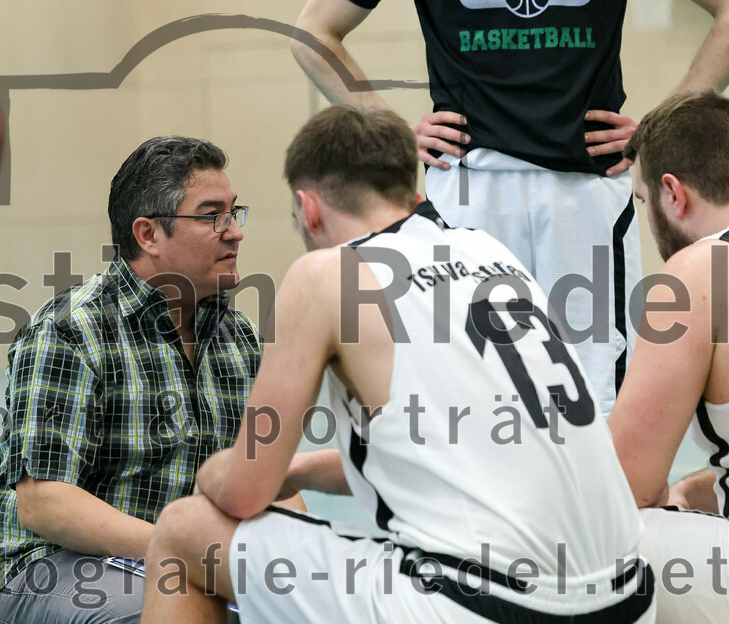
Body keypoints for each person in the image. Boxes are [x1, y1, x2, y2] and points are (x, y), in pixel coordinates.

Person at [141, 106, 655, 624]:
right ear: (413, 196)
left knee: (184, 532)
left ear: (308, 207)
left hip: (486, 606)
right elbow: (452, 445)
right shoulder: (489, 250)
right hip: (631, 598)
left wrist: (212, 471)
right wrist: (299, 472)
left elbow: (243, 492)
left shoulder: (326, 273)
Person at [291, 0, 729, 417]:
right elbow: (312, 30)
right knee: (466, 393)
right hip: (468, 186)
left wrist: (659, 125)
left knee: (593, 397)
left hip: (584, 191)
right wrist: (387, 128)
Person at [0, 136, 282, 623]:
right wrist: (184, 552)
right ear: (148, 234)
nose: (234, 232)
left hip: (179, 564)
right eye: (210, 215)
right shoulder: (71, 330)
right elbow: (44, 503)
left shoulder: (237, 337)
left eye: (234, 212)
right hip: (49, 566)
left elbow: (271, 485)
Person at [608, 91, 729, 624]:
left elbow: (620, 487)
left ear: (672, 194)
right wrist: (689, 489)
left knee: (588, 544)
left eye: (641, 201)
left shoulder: (698, 272)